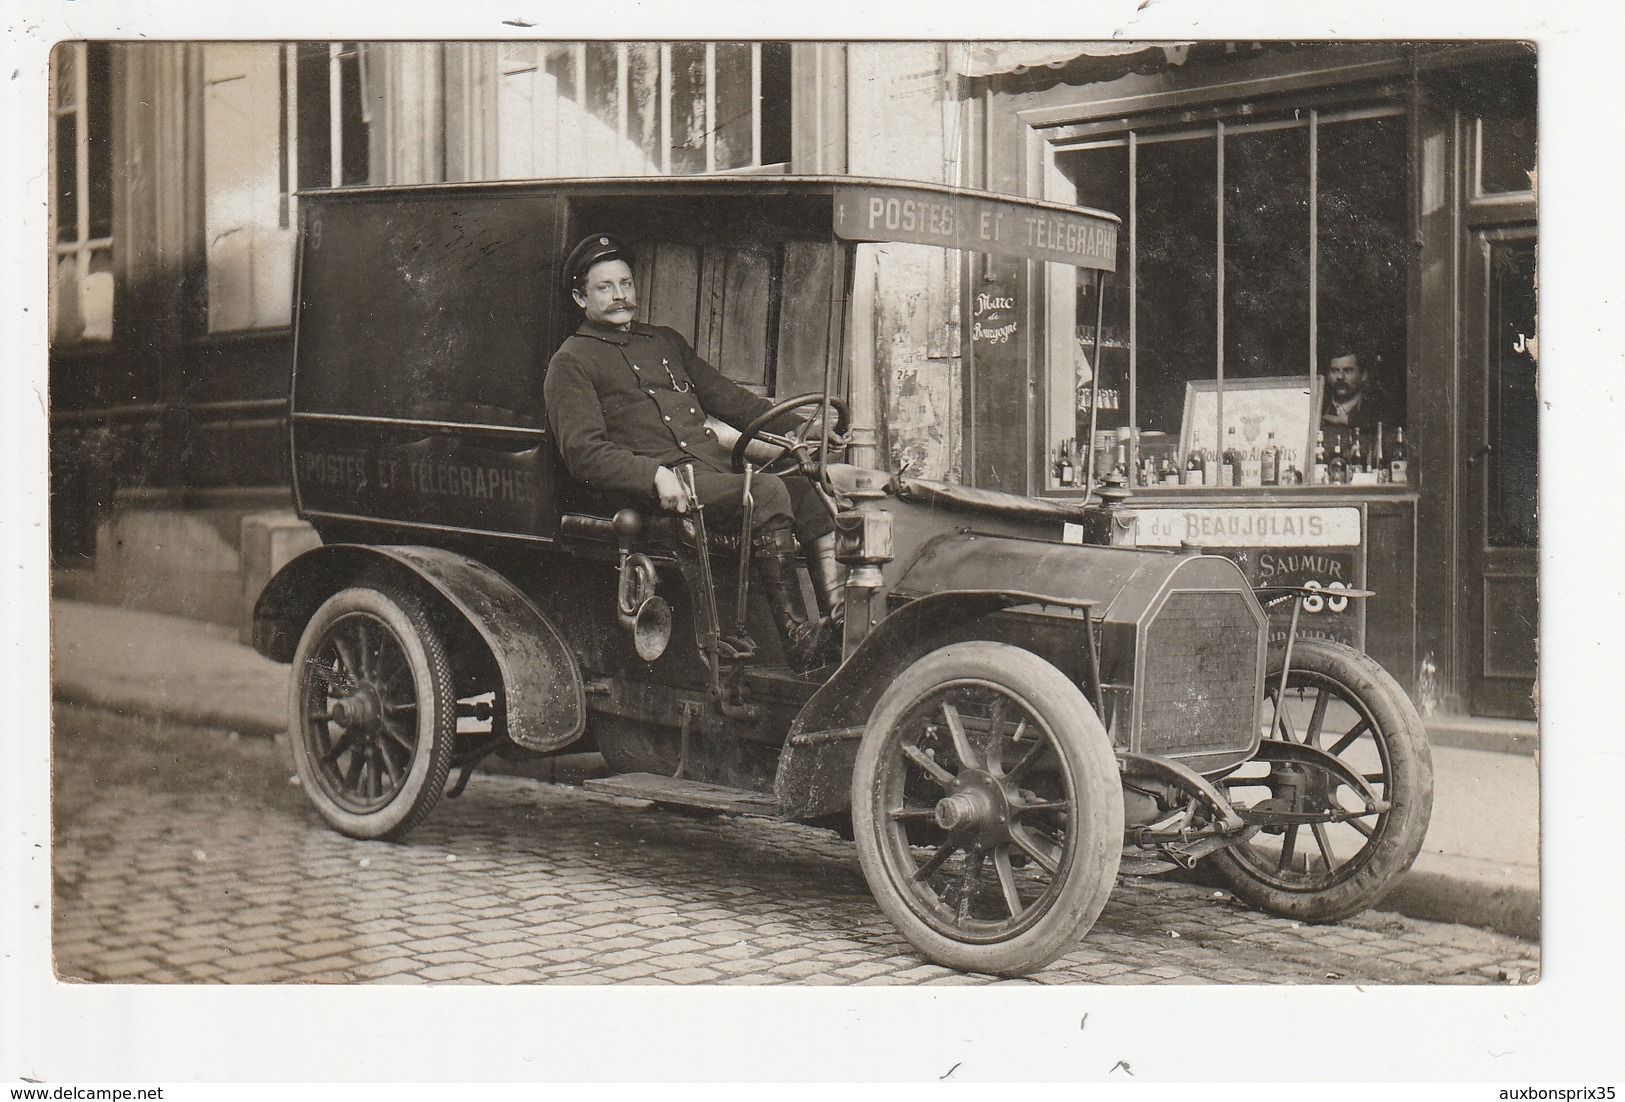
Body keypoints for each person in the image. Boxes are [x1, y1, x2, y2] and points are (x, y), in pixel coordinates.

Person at [543, 233, 843, 671]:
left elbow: (729, 398)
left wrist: (802, 427)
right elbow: (585, 454)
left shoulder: (663, 341)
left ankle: (838, 620)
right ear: (579, 296)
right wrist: (653, 476)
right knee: (769, 492)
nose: (620, 294)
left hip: (709, 477)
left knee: (803, 491)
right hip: (661, 491)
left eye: (625, 283)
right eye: (604, 287)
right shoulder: (571, 361)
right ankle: (798, 640)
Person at [1320, 349, 1381, 447]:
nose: (1340, 377)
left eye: (1348, 371)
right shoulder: (1319, 407)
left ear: (1363, 375)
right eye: (1334, 371)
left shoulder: (1376, 408)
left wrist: (1345, 420)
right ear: (1327, 375)